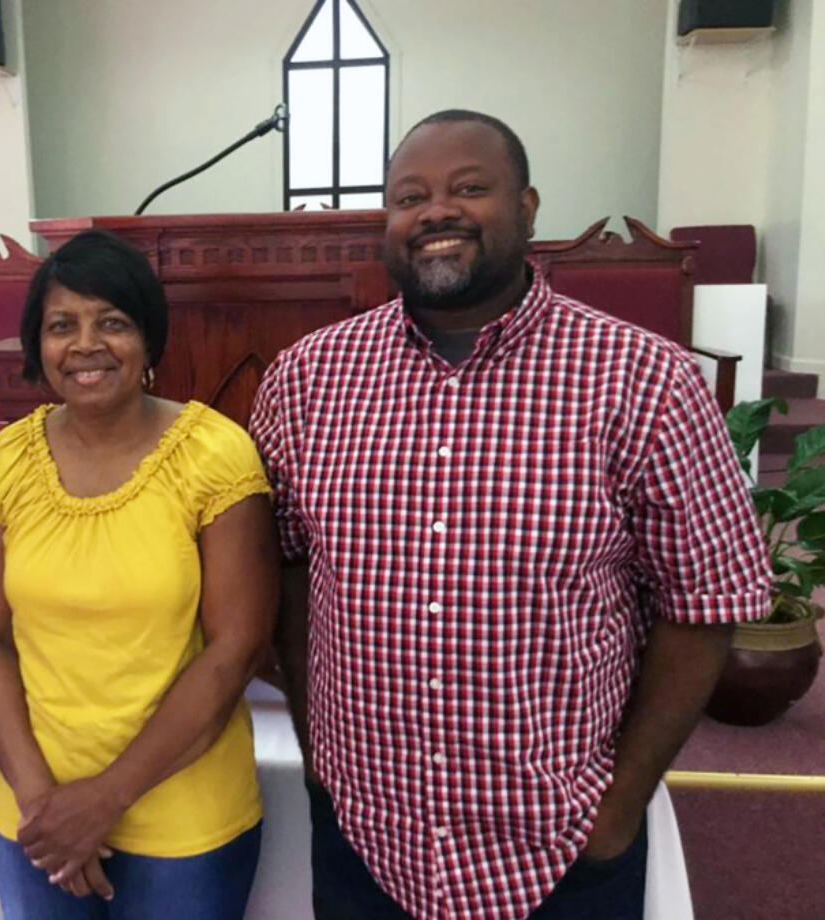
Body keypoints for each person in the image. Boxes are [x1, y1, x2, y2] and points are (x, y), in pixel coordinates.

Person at [249, 109, 770, 920]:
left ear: (527, 209)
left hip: (558, 843)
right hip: (365, 834)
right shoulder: (309, 379)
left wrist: (621, 804)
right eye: (408, 196)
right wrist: (319, 745)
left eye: (469, 188)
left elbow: (702, 607)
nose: (434, 213)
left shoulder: (645, 382)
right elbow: (285, 563)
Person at [0, 229, 278, 919]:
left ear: (148, 339)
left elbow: (236, 648)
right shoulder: (5, 462)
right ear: (37, 346)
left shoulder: (214, 455)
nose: (86, 345)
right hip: (34, 813)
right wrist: (45, 806)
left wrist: (100, 802)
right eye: (61, 326)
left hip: (184, 816)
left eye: (113, 323)